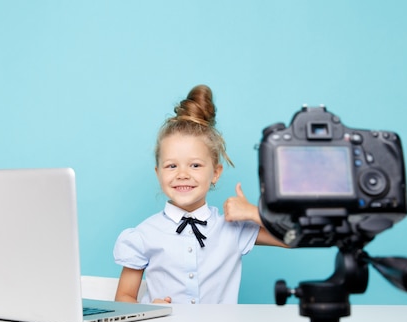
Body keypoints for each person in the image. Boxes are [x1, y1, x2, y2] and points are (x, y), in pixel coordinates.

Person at [113, 84, 285, 304]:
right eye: (171, 166)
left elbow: (293, 238)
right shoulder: (143, 235)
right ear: (158, 173)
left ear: (215, 173)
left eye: (195, 165)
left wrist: (254, 213)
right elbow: (123, 297)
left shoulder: (232, 229)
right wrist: (147, 311)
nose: (182, 174)